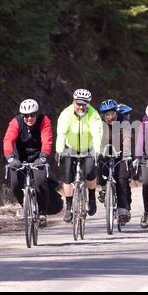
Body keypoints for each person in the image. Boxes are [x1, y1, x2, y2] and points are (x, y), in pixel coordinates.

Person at [56, 89, 103, 223]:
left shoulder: (93, 115)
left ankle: (92, 198)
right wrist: (59, 150)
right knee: (68, 177)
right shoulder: (66, 113)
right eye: (78, 104)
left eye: (85, 104)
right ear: (73, 102)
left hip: (88, 147)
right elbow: (61, 132)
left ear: (89, 104)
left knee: (89, 172)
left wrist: (97, 151)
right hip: (71, 147)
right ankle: (69, 208)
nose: (81, 107)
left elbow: (97, 133)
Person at [3, 99, 52, 227]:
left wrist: (43, 156)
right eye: (26, 116)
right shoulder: (16, 122)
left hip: (38, 156)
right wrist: (10, 157)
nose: (29, 118)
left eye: (32, 115)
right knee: (15, 184)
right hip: (19, 157)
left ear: (36, 114)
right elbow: (8, 139)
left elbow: (47, 140)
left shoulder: (44, 121)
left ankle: (42, 213)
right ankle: (23, 205)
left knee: (41, 182)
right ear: (22, 115)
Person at [96, 99, 132, 224]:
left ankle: (122, 210)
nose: (110, 117)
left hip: (120, 151)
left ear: (116, 112)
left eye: (112, 114)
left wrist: (126, 153)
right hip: (104, 149)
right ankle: (103, 187)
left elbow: (127, 136)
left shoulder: (123, 119)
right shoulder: (99, 121)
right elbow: (95, 136)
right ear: (103, 115)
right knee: (99, 165)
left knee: (121, 180)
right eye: (107, 114)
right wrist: (94, 150)